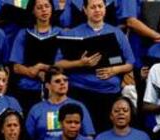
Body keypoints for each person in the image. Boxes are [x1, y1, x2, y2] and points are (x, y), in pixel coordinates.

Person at [55, 0, 136, 132]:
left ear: (105, 9)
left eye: (100, 6)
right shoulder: (73, 34)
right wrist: (80, 63)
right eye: (93, 7)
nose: (97, 10)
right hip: (81, 91)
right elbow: (58, 63)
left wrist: (114, 70)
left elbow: (130, 63)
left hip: (109, 92)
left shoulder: (117, 33)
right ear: (85, 10)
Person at [8, 0, 63, 114]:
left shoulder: (60, 33)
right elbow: (16, 67)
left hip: (54, 90)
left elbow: (62, 65)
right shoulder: (23, 33)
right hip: (27, 88)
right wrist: (31, 72)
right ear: (33, 11)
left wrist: (42, 67)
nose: (44, 10)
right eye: (39, 7)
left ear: (52, 8)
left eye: (47, 6)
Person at [24, 67, 96, 140]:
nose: (62, 83)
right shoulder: (36, 109)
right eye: (57, 81)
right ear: (48, 85)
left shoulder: (79, 106)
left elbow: (89, 137)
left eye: (65, 80)